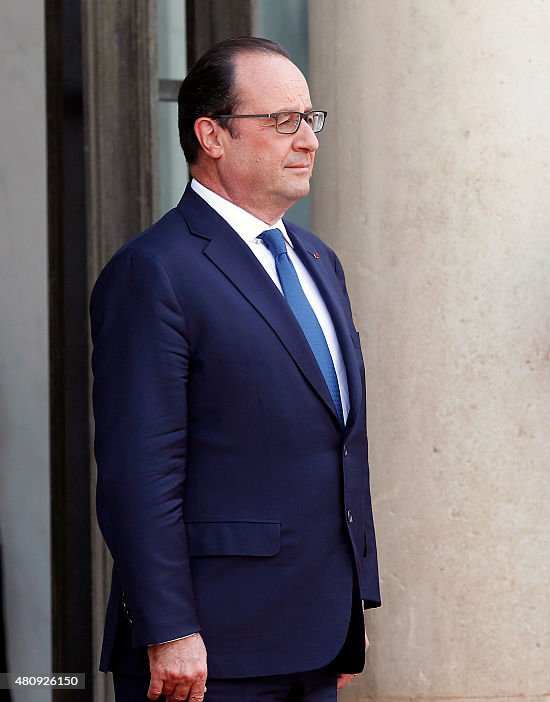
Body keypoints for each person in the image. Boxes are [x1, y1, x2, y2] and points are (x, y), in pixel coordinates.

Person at [91, 36, 379, 702]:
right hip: (209, 653)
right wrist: (168, 629)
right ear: (211, 135)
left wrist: (350, 606)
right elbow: (140, 473)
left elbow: (331, 442)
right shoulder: (155, 271)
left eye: (312, 119)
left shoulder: (316, 260)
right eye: (283, 121)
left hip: (316, 639)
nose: (307, 139)